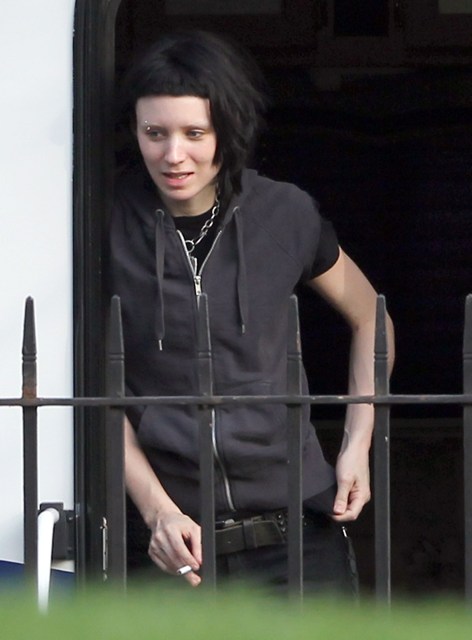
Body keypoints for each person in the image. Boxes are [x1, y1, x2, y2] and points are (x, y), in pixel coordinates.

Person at [110, 30, 394, 593]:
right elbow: (90, 389)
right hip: (170, 545)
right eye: (154, 133)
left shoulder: (284, 213)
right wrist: (157, 511)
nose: (173, 155)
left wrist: (356, 444)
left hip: (299, 537)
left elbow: (372, 319)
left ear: (228, 128)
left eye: (195, 133)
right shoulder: (103, 220)